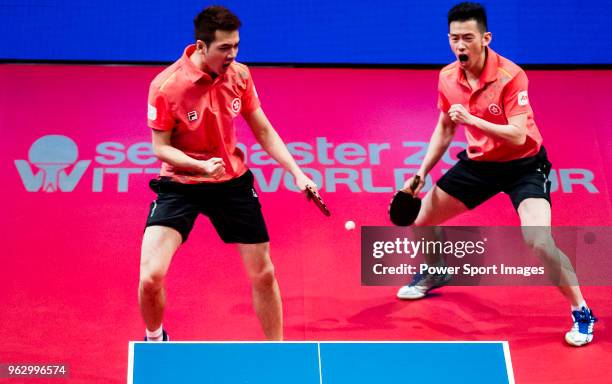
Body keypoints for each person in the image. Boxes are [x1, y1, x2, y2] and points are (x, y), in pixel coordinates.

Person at [395, 2, 596, 347]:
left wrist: (472, 121)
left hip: (523, 164)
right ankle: (436, 269)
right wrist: (421, 173)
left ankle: (581, 310)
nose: (460, 45)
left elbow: (518, 134)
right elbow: (444, 129)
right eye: (454, 38)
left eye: (468, 38)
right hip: (480, 164)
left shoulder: (510, 76)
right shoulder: (447, 77)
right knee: (422, 217)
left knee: (539, 241)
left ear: (485, 38)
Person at [139, 5, 316, 341]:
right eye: (224, 48)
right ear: (201, 46)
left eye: (236, 46)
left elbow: (263, 130)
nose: (232, 54)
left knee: (264, 273)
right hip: (181, 184)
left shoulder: (240, 75)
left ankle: (276, 352)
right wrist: (198, 165)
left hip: (232, 183)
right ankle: (155, 336)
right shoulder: (166, 86)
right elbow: (160, 148)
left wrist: (297, 172)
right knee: (150, 276)